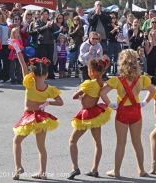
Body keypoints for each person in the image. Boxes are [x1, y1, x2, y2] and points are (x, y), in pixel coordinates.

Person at [8, 39, 63, 180]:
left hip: (28, 116)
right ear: (46, 74)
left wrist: (18, 49)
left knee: (16, 141)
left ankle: (18, 167)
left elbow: (22, 65)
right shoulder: (49, 88)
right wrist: (48, 103)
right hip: (41, 118)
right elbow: (60, 102)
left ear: (32, 73)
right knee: (41, 147)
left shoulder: (30, 84)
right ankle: (42, 172)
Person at [100, 49, 156, 177]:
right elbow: (152, 91)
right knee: (137, 142)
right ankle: (141, 170)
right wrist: (144, 102)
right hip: (136, 111)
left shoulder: (116, 80)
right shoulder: (142, 79)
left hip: (122, 112)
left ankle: (117, 171)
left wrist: (110, 104)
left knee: (121, 142)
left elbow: (102, 93)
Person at [67, 57, 112, 180]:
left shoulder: (89, 83)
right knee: (97, 142)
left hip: (86, 115)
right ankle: (95, 169)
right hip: (95, 114)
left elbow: (74, 96)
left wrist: (80, 93)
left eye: (88, 69)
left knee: (72, 141)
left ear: (92, 71)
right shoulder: (101, 83)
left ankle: (74, 167)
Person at [35, 8, 58, 79]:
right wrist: (46, 26)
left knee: (50, 58)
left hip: (50, 42)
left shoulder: (50, 21)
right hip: (41, 42)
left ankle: (50, 74)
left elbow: (55, 30)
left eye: (46, 14)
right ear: (41, 15)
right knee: (42, 59)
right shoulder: (38, 21)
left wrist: (51, 26)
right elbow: (38, 30)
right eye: (43, 14)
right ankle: (42, 73)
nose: (45, 16)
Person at [0, 8, 11, 83]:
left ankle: (6, 77)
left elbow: (8, 33)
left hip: (6, 44)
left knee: (6, 61)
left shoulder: (5, 23)